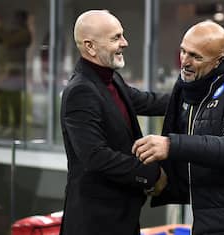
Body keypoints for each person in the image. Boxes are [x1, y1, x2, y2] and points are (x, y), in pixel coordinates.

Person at [132, 21, 224, 235]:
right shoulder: (194, 84)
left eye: (196, 57)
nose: (185, 62)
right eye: (183, 51)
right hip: (208, 210)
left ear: (219, 61)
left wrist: (171, 145)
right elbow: (160, 102)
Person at [59, 10, 169, 235]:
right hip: (96, 222)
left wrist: (194, 96)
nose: (125, 43)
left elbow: (147, 101)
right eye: (116, 38)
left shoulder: (110, 78)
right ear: (90, 46)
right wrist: (152, 174)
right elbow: (96, 157)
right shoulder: (80, 91)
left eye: (123, 35)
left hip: (122, 216)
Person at [0, 10, 32, 137]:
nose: (14, 21)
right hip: (3, 69)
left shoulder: (25, 33)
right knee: (2, 98)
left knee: (14, 99)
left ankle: (16, 126)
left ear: (22, 20)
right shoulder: (12, 32)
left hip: (15, 70)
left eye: (17, 18)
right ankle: (4, 124)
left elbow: (8, 40)